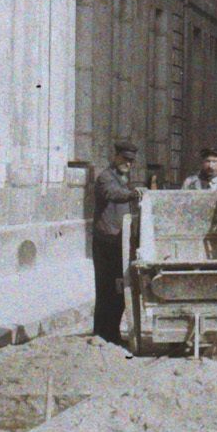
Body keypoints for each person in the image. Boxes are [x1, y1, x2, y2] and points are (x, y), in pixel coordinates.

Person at [92, 139, 141, 345]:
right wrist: (133, 194)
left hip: (119, 242)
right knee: (106, 290)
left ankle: (111, 333)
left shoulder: (124, 179)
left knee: (119, 291)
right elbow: (112, 194)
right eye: (125, 159)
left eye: (131, 161)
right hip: (106, 243)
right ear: (116, 156)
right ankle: (102, 334)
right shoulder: (106, 177)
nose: (128, 164)